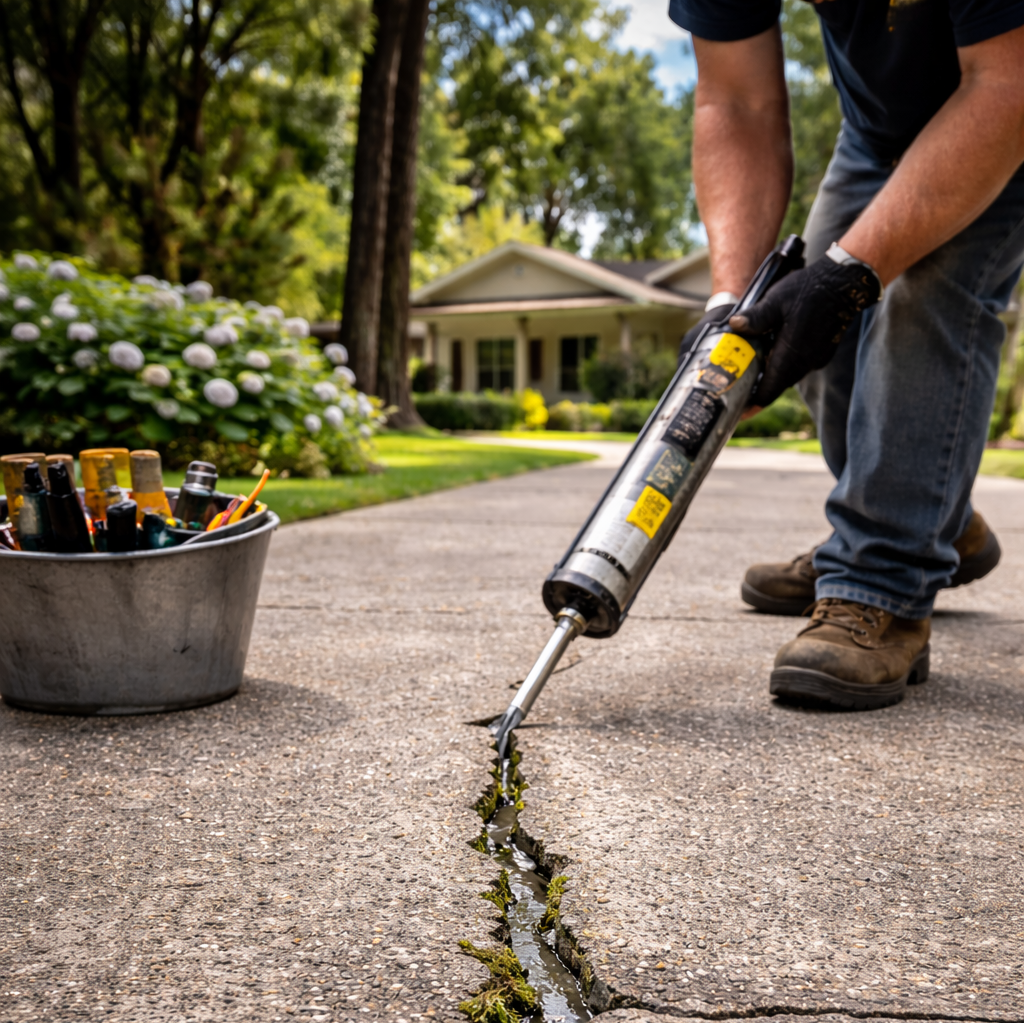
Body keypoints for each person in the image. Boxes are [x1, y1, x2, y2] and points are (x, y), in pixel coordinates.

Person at [671, 0, 1024, 709]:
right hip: (874, 134)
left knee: (925, 296)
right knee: (813, 338)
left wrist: (851, 275)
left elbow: (1007, 83)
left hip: (1002, 96)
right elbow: (735, 100)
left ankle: (882, 578)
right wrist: (733, 307)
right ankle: (930, 518)